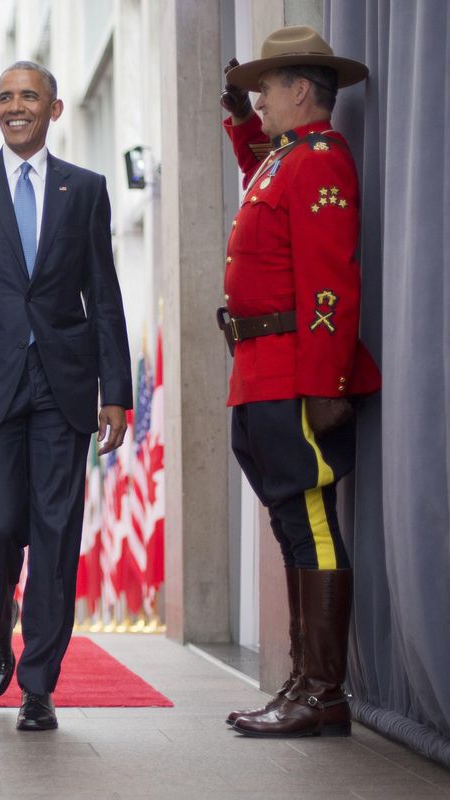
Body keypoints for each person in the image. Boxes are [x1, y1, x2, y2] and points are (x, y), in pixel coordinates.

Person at [0, 61, 132, 732]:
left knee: (55, 531)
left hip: (65, 387)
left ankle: (39, 683)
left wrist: (116, 391)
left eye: (29, 97)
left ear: (55, 108)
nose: (16, 107)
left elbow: (103, 294)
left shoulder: (85, 190)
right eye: (6, 97)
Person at [218, 26, 380, 738]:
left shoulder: (319, 161)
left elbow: (329, 282)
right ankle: (304, 680)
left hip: (294, 373)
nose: (260, 97)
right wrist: (239, 118)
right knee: (293, 525)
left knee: (309, 522)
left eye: (265, 87)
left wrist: (325, 381)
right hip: (260, 369)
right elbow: (260, 169)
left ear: (301, 91)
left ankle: (323, 691)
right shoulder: (285, 159)